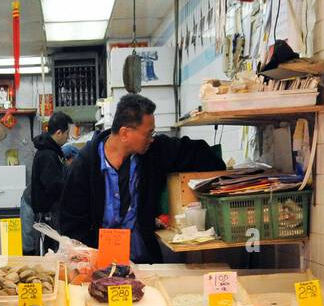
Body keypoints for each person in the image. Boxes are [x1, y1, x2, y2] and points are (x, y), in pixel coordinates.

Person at [58, 93, 224, 263]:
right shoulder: (84, 167)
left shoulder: (152, 152)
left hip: (144, 263)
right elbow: (72, 228)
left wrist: (224, 177)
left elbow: (195, 151)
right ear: (124, 133)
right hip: (100, 266)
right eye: (148, 133)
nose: (151, 139)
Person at [23, 112, 71, 252]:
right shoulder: (48, 155)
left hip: (50, 215)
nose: (68, 138)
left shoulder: (52, 152)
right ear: (58, 133)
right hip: (47, 218)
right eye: (67, 134)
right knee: (49, 257)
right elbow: (52, 186)